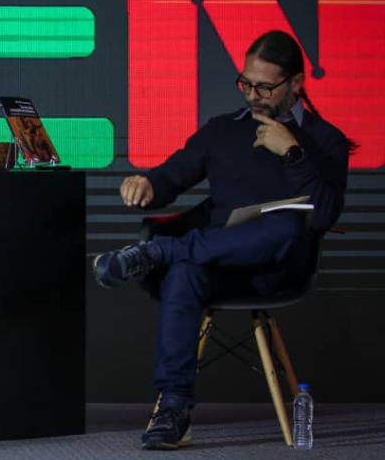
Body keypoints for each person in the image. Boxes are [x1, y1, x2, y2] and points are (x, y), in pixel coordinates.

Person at [92, 30, 350, 451]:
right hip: (222, 266)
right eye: (246, 84)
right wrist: (147, 184)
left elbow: (323, 215)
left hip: (277, 272)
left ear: (296, 84)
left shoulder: (325, 140)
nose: (252, 96)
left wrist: (293, 152)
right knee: (184, 274)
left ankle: (157, 252)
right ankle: (174, 409)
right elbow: (173, 174)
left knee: (287, 225)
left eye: (265, 87)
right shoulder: (223, 131)